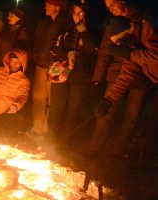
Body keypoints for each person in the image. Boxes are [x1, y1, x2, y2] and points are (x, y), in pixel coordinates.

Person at [86, 0, 149, 157]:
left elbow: (147, 55)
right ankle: (94, 148)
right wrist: (97, 79)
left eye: (112, 3)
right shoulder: (111, 24)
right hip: (117, 73)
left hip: (142, 76)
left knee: (132, 116)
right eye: (107, 7)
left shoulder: (142, 21)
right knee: (107, 110)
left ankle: (117, 151)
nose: (110, 8)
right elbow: (105, 53)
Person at [94, 15, 158, 168]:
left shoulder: (148, 29)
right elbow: (126, 75)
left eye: (120, 41)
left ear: (128, 32)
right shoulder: (132, 48)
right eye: (116, 43)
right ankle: (144, 163)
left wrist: (129, 54)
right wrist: (109, 100)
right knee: (152, 124)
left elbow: (156, 56)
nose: (119, 46)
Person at [49, 1, 98, 141]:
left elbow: (91, 52)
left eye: (81, 13)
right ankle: (50, 139)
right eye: (75, 13)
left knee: (72, 111)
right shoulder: (66, 29)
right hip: (62, 73)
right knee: (56, 107)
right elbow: (54, 48)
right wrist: (68, 54)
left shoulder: (92, 31)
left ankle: (63, 141)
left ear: (87, 14)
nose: (77, 16)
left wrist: (84, 32)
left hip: (80, 77)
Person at [30, 0, 70, 137]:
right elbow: (37, 40)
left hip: (55, 68)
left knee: (53, 102)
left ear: (57, 6)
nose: (45, 5)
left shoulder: (65, 23)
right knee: (38, 98)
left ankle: (47, 131)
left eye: (48, 3)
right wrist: (36, 55)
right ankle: (37, 128)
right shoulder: (44, 22)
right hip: (41, 65)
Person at [0, 49, 30, 138]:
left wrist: (16, 106)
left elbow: (23, 96)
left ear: (23, 63)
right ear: (9, 61)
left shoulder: (23, 80)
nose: (14, 65)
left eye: (17, 63)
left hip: (4, 114)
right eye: (12, 61)